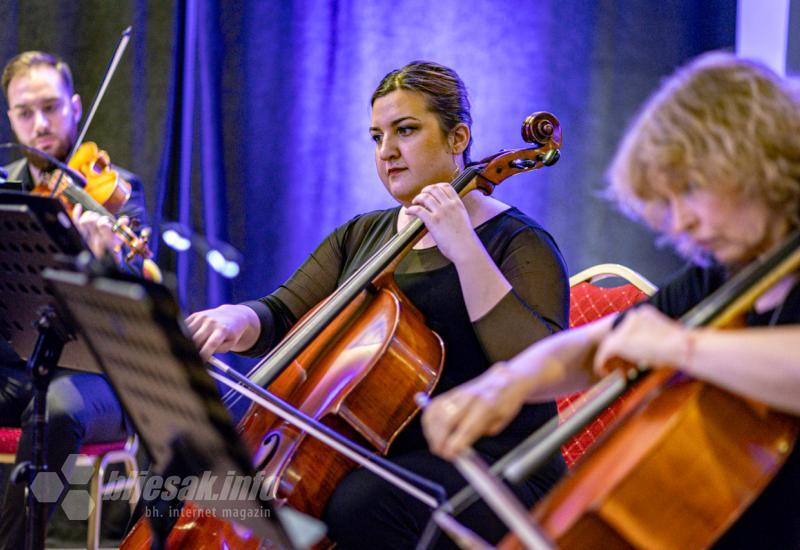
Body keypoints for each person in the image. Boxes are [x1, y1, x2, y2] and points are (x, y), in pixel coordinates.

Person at [422, 51, 800, 548]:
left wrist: (679, 347)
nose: (681, 221)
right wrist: (507, 384)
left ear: (755, 161)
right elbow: (600, 344)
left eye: (690, 188)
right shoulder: (726, 278)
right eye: (669, 202)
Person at [187, 61, 569, 548]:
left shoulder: (518, 241)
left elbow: (537, 370)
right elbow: (284, 314)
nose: (387, 151)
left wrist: (465, 248)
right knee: (191, 476)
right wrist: (234, 319)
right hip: (384, 452)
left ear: (458, 139)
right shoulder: (363, 234)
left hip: (496, 465)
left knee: (361, 505)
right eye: (376, 137)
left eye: (405, 131)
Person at [0, 50, 148, 549]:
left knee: (55, 408)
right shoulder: (5, 190)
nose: (40, 124)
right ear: (10, 117)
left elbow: (142, 297)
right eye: (24, 112)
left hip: (101, 380)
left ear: (77, 106)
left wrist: (104, 260)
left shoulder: (116, 192)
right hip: (21, 369)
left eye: (51, 107)